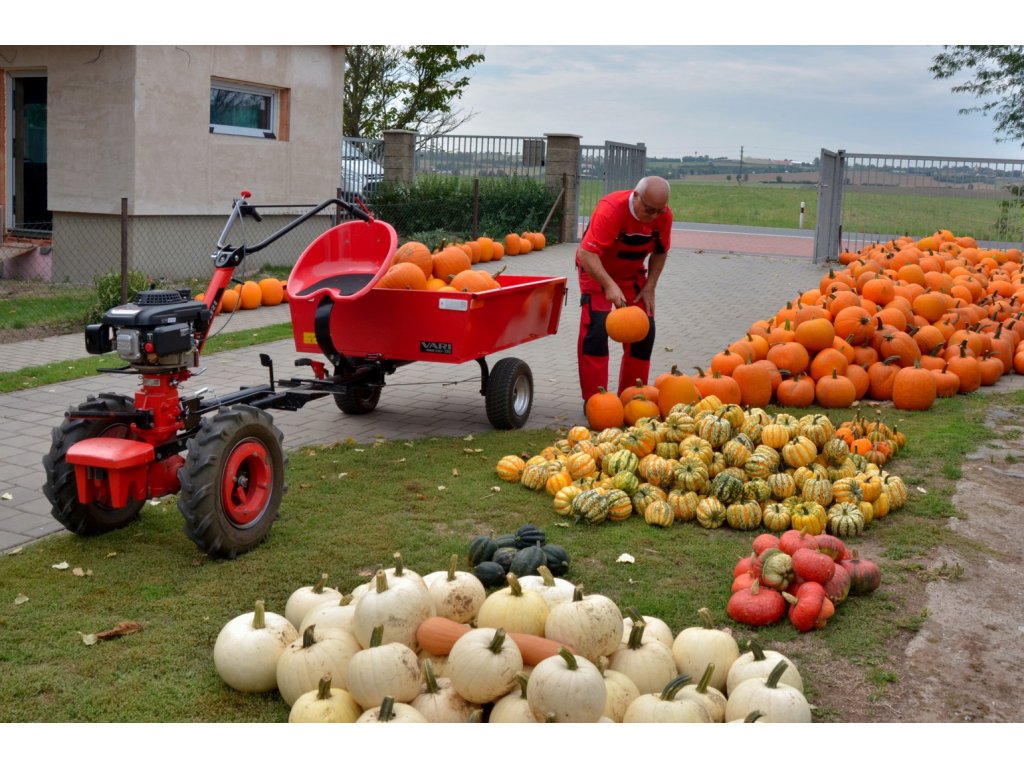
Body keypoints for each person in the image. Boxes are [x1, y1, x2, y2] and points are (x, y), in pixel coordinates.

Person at [575, 175, 673, 404]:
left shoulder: (663, 215)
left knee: (644, 330)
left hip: (631, 274)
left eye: (659, 211)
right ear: (636, 196)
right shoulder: (611, 210)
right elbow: (586, 253)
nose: (654, 216)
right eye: (649, 210)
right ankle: (596, 399)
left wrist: (650, 286)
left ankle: (632, 397)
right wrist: (609, 284)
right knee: (597, 328)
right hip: (596, 270)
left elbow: (660, 251)